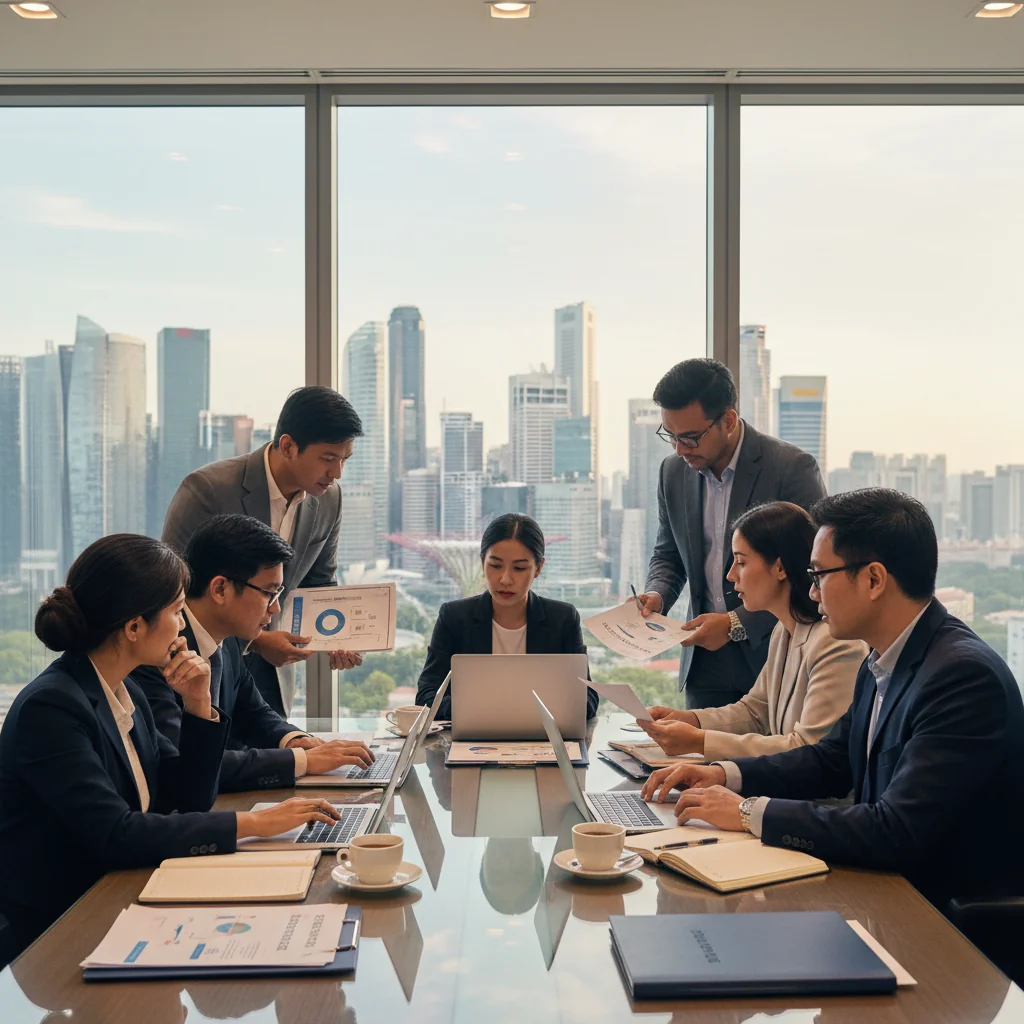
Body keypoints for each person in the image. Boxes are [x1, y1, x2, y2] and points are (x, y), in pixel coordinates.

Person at [641, 489, 1024, 913]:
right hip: (886, 891)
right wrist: (722, 775)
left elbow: (895, 830)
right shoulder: (882, 657)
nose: (813, 591)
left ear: (874, 580)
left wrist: (749, 812)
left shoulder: (961, 677)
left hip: (944, 922)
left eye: (820, 575)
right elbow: (829, 760)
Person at [0, 534, 347, 958]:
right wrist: (254, 824)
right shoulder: (52, 706)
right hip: (63, 927)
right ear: (133, 627)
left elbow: (186, 798)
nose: (182, 624)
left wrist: (199, 705)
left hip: (123, 893)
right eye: (175, 610)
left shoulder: (125, 689)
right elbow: (116, 833)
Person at [162, 385, 365, 717]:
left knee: (281, 756)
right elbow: (172, 593)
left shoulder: (329, 499)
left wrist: (338, 637)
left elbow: (320, 581)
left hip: (275, 679)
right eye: (328, 459)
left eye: (344, 459)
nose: (337, 473)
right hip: (201, 672)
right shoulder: (209, 490)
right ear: (287, 445)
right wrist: (255, 640)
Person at [134, 514, 375, 792]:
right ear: (220, 589)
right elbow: (189, 763)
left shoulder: (231, 638)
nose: (275, 609)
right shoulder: (157, 651)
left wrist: (296, 741)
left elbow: (253, 712)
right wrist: (302, 761)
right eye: (268, 593)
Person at [637, 359, 826, 709]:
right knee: (701, 760)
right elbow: (668, 554)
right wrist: (657, 595)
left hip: (775, 651)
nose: (680, 449)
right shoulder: (673, 473)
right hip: (705, 662)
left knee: (775, 760)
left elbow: (811, 572)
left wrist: (736, 624)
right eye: (671, 436)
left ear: (727, 420)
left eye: (690, 437)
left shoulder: (790, 469)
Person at [638, 501, 865, 760]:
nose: (731, 575)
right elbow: (756, 711)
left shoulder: (834, 644)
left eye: (741, 562)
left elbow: (808, 749)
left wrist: (700, 741)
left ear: (780, 568)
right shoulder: (785, 630)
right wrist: (690, 720)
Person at [415, 513, 599, 722]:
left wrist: (508, 705)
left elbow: (588, 701)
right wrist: (489, 708)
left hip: (544, 744)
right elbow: (425, 699)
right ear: (482, 562)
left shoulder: (563, 619)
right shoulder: (454, 618)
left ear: (538, 568)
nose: (505, 579)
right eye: (495, 566)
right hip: (472, 744)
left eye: (519, 568)